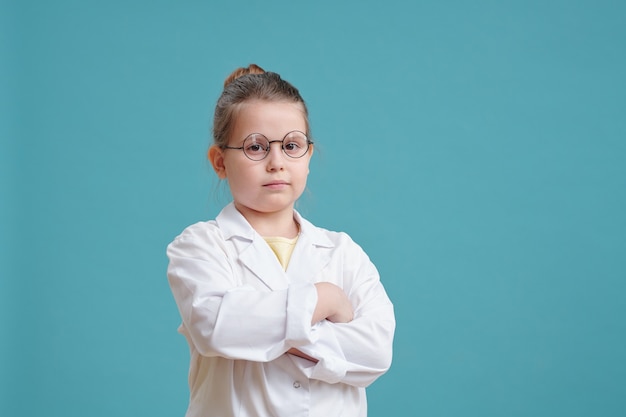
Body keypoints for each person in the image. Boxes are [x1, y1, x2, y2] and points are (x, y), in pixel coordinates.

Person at [166, 64, 395, 417]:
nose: (276, 162)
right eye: (255, 147)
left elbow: (376, 352)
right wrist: (325, 298)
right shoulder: (199, 247)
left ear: (309, 156)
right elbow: (218, 327)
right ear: (219, 161)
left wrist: (268, 332)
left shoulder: (344, 253)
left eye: (291, 145)